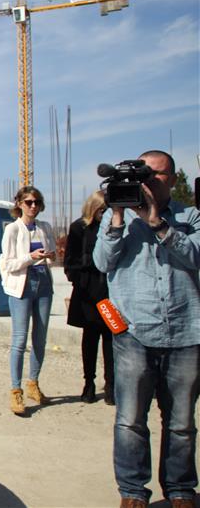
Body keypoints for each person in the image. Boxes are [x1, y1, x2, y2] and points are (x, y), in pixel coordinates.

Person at [93, 150, 199, 508]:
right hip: (134, 332)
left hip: (186, 332)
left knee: (181, 422)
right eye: (143, 176)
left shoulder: (191, 216)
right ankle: (133, 491)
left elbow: (196, 257)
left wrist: (157, 222)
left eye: (155, 175)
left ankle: (181, 489)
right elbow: (102, 262)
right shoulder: (117, 218)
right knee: (130, 420)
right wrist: (119, 215)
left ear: (171, 178)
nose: (148, 182)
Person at [0, 186, 57, 415]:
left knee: (40, 338)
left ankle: (33, 382)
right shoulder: (13, 229)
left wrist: (49, 257)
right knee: (20, 340)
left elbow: (53, 255)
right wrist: (30, 258)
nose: (33, 206)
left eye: (37, 202)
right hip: (21, 285)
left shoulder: (45, 228)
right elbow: (8, 264)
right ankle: (16, 390)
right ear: (19, 204)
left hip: (43, 282)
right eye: (29, 202)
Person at [64, 191, 114, 405]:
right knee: (90, 340)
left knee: (112, 342)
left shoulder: (115, 228)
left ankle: (111, 385)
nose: (106, 214)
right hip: (88, 293)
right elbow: (70, 262)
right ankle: (89, 383)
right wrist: (80, 279)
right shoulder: (79, 228)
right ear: (94, 208)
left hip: (111, 293)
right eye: (103, 210)